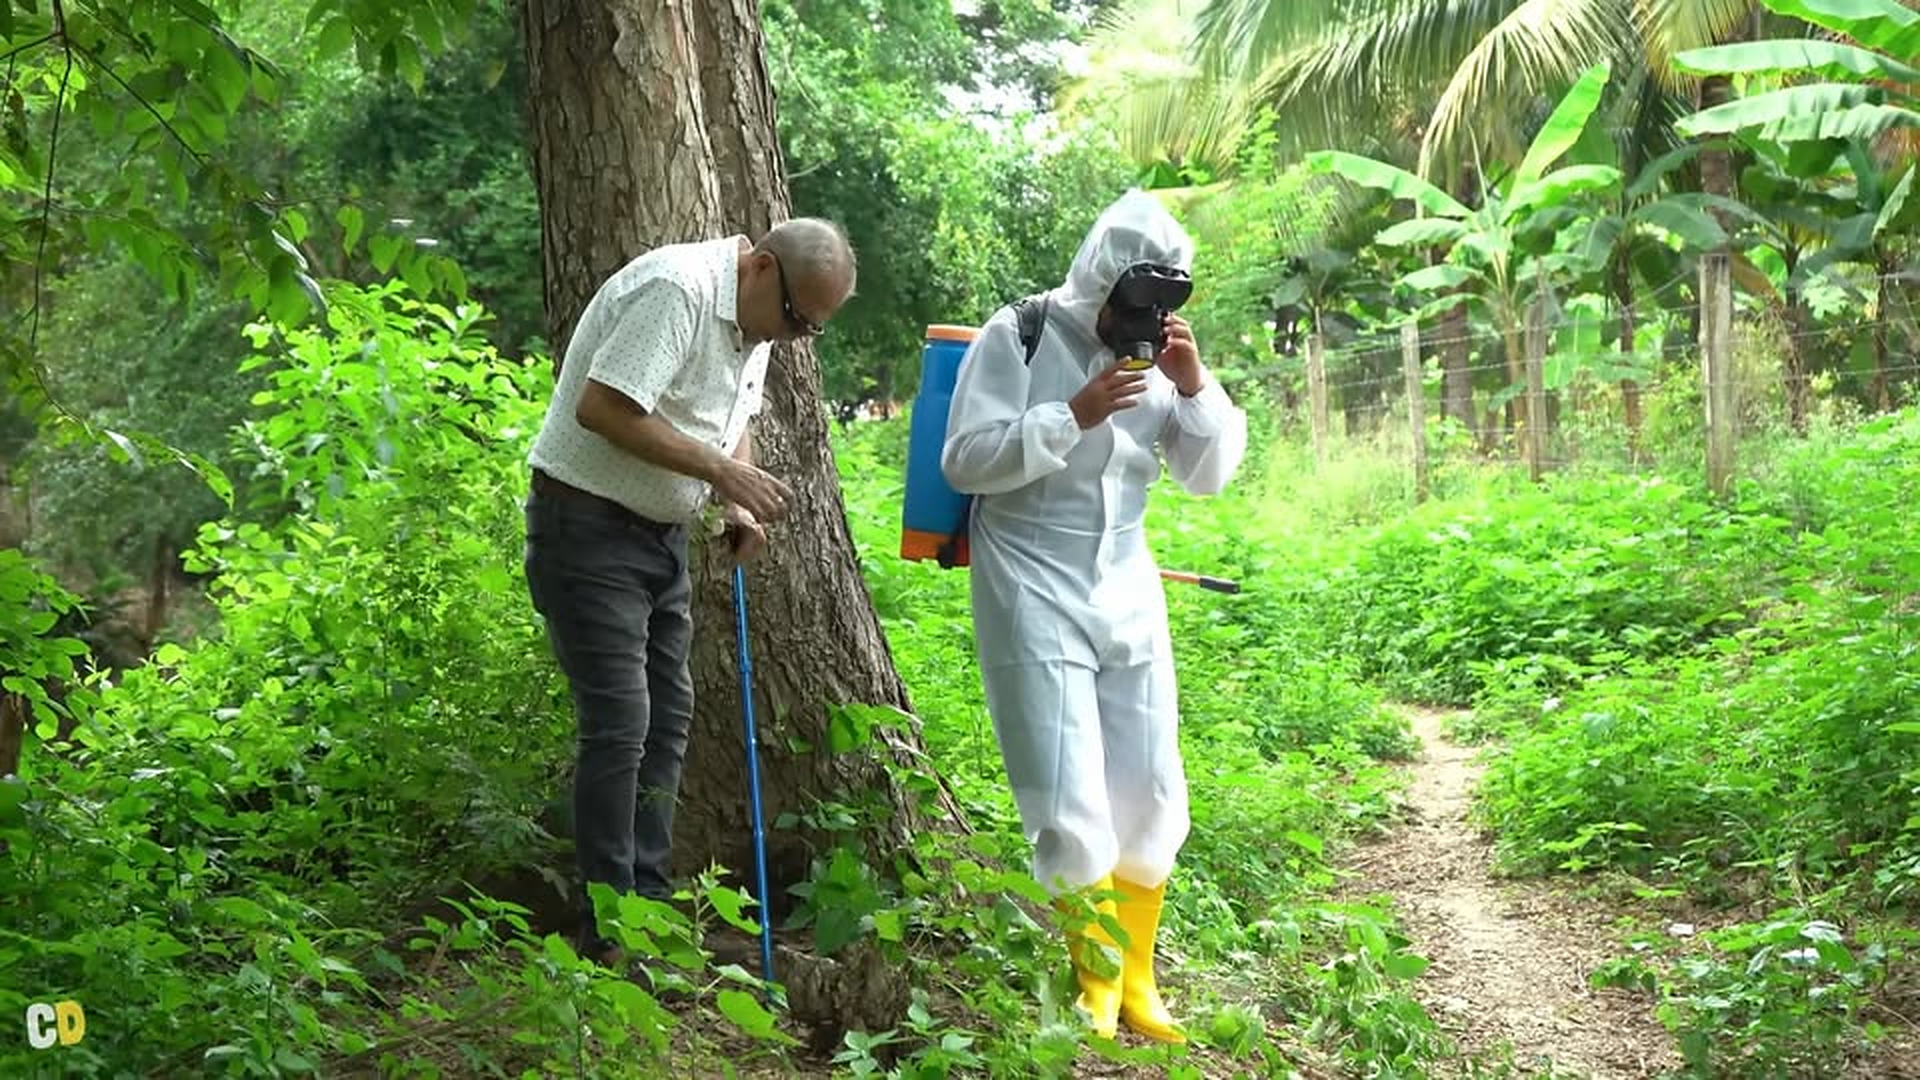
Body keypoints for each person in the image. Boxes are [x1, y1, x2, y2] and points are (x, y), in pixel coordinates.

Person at [940, 191, 1246, 1043]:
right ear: (1096, 283)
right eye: (1126, 308)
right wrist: (1072, 414)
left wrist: (1194, 386)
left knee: (1151, 782)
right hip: (1029, 572)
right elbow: (964, 460)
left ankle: (1140, 977)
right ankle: (1096, 978)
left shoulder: (1160, 355)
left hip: (1126, 574)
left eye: (1154, 311)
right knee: (1065, 783)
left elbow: (1208, 475)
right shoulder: (1021, 333)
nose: (1134, 328)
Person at [523, 218, 857, 963]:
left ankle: (647, 908)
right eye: (798, 319)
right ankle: (608, 931)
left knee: (669, 717)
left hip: (658, 538)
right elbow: (602, 407)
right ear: (762, 267)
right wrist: (718, 471)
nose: (797, 337)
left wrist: (736, 499)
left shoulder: (757, 320)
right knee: (621, 724)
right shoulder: (678, 291)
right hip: (586, 528)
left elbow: (730, 419)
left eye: (813, 329)